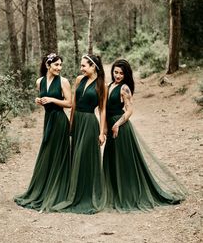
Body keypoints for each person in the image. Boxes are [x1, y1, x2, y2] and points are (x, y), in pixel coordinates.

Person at [103, 59, 187, 212]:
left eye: (121, 73)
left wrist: (117, 124)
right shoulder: (108, 86)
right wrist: (105, 128)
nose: (118, 75)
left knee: (124, 161)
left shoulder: (124, 88)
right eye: (116, 72)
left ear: (126, 74)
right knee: (111, 159)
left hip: (120, 128)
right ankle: (114, 192)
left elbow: (129, 110)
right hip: (110, 127)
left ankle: (128, 193)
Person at [14, 53, 72, 212]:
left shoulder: (64, 82)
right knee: (47, 152)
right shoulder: (39, 82)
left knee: (59, 153)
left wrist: (52, 100)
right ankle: (44, 188)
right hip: (48, 121)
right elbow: (42, 98)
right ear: (48, 65)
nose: (59, 68)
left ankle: (59, 189)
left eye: (60, 65)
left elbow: (70, 103)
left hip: (60, 120)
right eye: (56, 65)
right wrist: (38, 101)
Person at [52, 54, 107, 214]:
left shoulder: (102, 85)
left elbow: (102, 109)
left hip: (90, 123)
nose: (81, 68)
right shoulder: (78, 80)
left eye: (84, 66)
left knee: (85, 156)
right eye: (81, 65)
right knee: (76, 155)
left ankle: (88, 194)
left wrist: (102, 132)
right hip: (78, 122)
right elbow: (74, 104)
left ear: (93, 66)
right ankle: (75, 191)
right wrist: (71, 123)